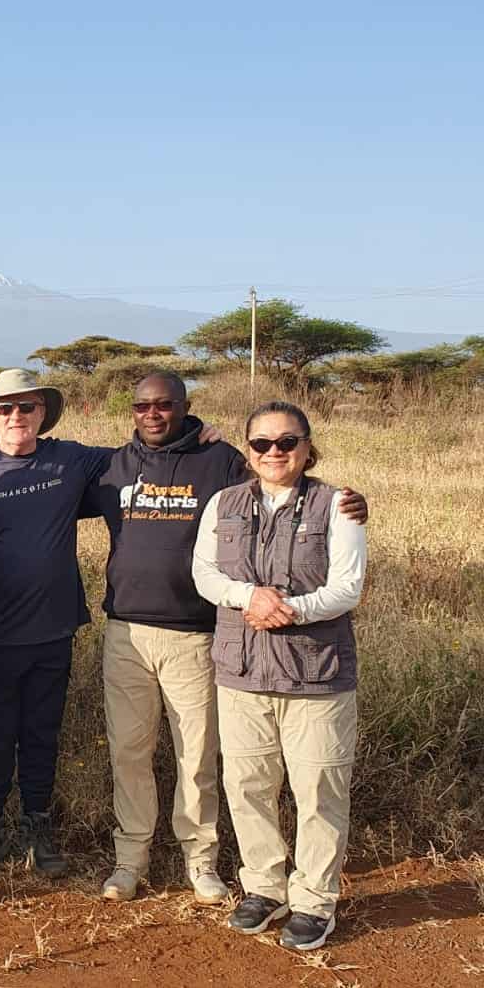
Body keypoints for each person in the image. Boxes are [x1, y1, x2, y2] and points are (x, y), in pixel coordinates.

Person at [85, 374, 367, 906]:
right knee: (128, 751)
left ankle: (201, 860)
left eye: (164, 404)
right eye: (142, 405)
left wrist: (349, 505)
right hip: (125, 631)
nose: (152, 413)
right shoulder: (110, 465)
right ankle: (130, 859)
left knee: (199, 755)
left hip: (195, 635)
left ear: (184, 407)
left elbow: (283, 480)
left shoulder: (220, 458)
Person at [191, 401, 366, 951]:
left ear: (308, 447)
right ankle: (264, 887)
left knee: (318, 790)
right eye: (262, 444)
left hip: (317, 672)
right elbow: (204, 572)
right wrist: (250, 598)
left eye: (287, 442)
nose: (274, 453)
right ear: (248, 452)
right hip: (242, 670)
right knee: (248, 786)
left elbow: (347, 588)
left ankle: (315, 900)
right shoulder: (224, 503)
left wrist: (286, 608)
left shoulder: (338, 504)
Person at [0, 368, 116, 881]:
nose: (16, 416)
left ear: (43, 412)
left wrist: (201, 432)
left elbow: (144, 457)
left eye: (26, 407)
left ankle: (38, 827)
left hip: (52, 630)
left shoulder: (71, 460)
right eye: (5, 408)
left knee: (42, 734)